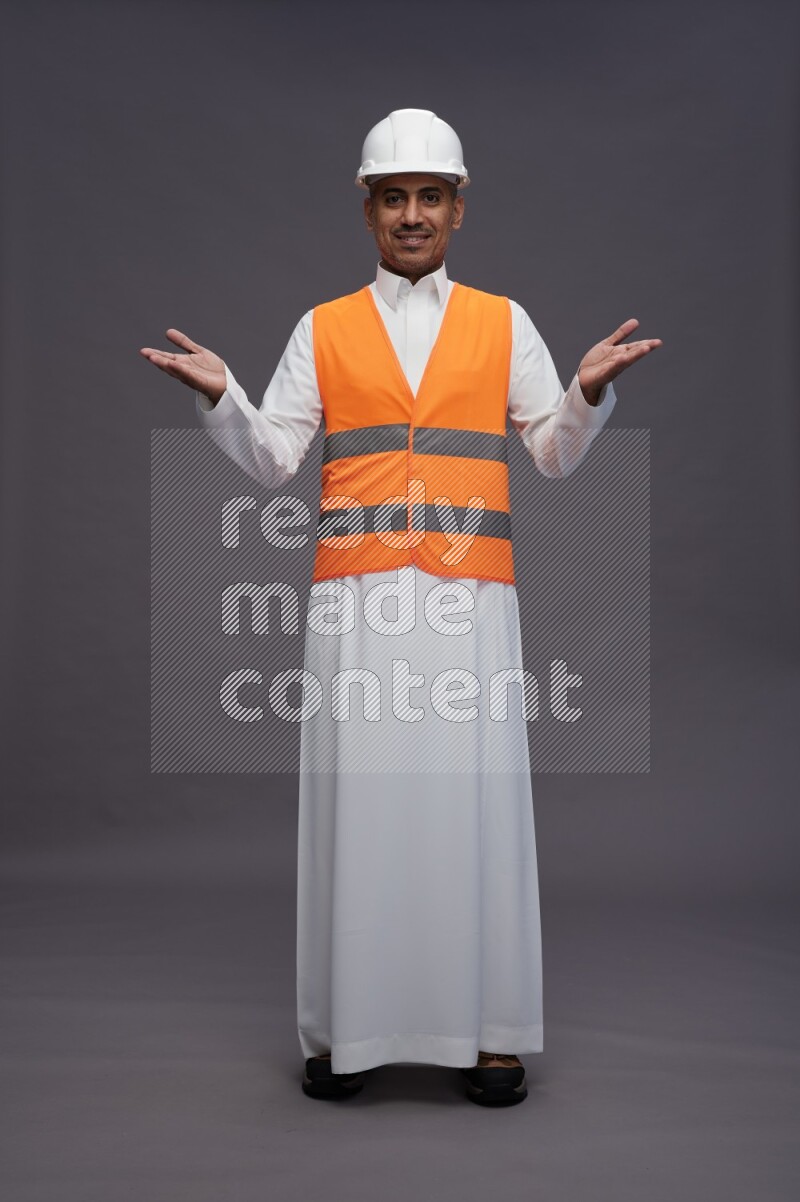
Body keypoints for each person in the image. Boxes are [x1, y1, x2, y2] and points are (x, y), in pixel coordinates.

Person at [140, 108, 661, 1107]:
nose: (411, 215)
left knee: (476, 803)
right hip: (357, 602)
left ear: (458, 210)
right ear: (367, 209)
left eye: (429, 196)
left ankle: (493, 1032)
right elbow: (270, 457)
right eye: (393, 198)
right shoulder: (321, 327)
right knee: (359, 803)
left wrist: (586, 393)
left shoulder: (505, 322)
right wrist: (220, 397)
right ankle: (346, 1030)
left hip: (469, 603)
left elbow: (550, 451)